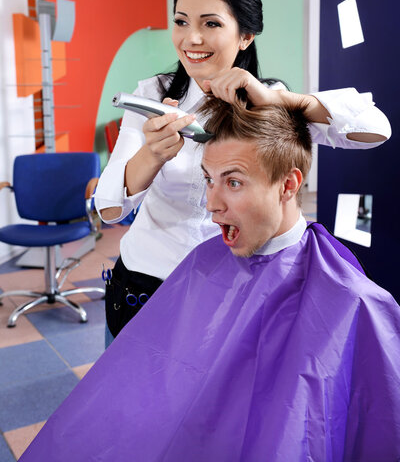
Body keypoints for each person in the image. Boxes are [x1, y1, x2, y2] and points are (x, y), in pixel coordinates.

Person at [21, 98, 400, 461]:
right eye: (208, 179)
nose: (212, 203)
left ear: (288, 185)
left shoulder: (354, 300)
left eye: (233, 182)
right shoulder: (203, 263)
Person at [94, 0, 391, 343]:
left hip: (233, 289)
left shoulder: (267, 99)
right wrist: (152, 155)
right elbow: (110, 208)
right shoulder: (153, 94)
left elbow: (376, 129)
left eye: (211, 24)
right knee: (127, 400)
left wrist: (281, 100)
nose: (192, 38)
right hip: (147, 286)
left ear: (246, 35)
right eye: (181, 22)